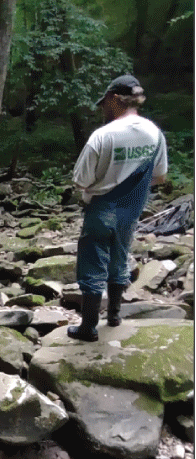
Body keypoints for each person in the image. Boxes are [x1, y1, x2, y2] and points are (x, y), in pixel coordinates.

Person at [68, 74, 168, 341]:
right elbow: (160, 176)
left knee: (92, 264)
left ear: (114, 99)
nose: (103, 109)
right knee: (120, 258)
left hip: (101, 208)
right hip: (131, 210)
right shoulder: (154, 134)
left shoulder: (102, 136)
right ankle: (114, 315)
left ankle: (88, 327)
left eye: (105, 103)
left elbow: (80, 180)